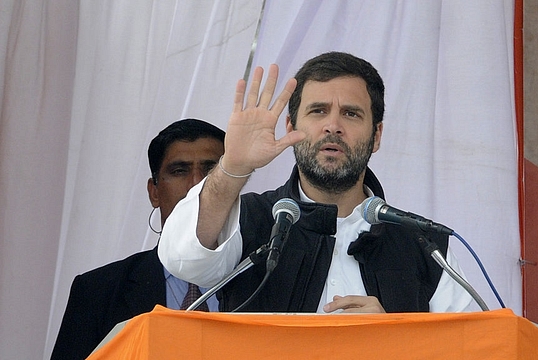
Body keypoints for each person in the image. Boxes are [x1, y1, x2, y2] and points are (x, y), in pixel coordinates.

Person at [159, 52, 473, 313]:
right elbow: (183, 260)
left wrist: (394, 338)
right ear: (290, 125)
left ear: (376, 136)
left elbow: (473, 347)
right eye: (318, 111)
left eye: (351, 114)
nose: (332, 126)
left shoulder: (425, 244)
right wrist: (232, 168)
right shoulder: (250, 218)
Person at [51, 119, 225, 360]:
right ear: (154, 192)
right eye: (179, 171)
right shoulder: (98, 291)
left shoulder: (270, 278)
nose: (196, 183)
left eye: (211, 170)